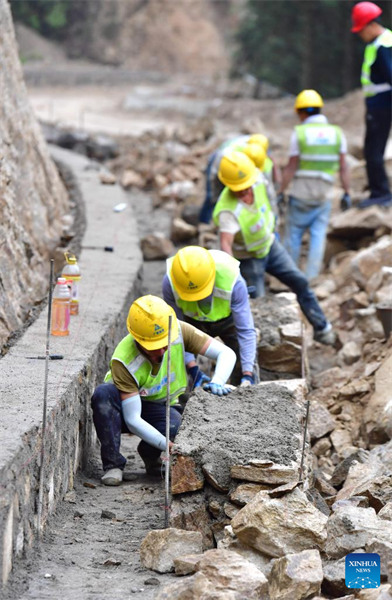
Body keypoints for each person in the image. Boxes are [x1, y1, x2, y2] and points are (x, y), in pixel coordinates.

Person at [91, 295, 236, 485]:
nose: (160, 352)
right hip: (121, 408)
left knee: (176, 427)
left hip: (160, 405)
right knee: (102, 395)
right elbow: (133, 419)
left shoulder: (178, 330)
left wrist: (218, 381)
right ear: (138, 338)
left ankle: (150, 456)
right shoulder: (124, 360)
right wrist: (164, 444)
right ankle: (113, 465)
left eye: (163, 345)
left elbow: (226, 353)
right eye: (153, 347)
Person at [212, 150, 336, 346]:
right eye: (239, 189)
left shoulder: (258, 180)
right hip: (249, 259)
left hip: (270, 246)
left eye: (246, 187)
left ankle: (322, 328)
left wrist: (275, 224)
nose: (245, 192)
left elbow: (271, 199)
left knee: (300, 282)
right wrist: (234, 277)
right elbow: (225, 243)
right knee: (256, 307)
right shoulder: (228, 210)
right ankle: (260, 355)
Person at [277, 89, 351, 281]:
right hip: (324, 193)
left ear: (300, 112)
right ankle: (311, 278)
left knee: (293, 233)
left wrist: (281, 191)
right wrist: (347, 192)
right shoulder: (336, 133)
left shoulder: (299, 134)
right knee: (318, 236)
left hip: (301, 191)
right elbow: (344, 167)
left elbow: (291, 166)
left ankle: (290, 278)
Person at [162, 246, 257, 387]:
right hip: (190, 321)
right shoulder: (171, 282)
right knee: (175, 359)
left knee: (240, 359)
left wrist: (248, 374)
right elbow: (176, 332)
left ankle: (241, 391)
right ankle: (184, 400)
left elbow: (245, 330)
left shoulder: (233, 281)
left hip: (228, 320)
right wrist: (192, 367)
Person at [351, 2, 392, 208]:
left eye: (360, 30)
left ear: (370, 25)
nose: (360, 35)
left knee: (373, 149)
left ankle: (381, 193)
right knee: (373, 148)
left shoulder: (383, 46)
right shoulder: (382, 42)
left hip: (381, 106)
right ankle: (379, 189)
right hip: (379, 104)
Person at [199, 133, 279, 224]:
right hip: (221, 165)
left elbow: (269, 190)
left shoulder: (261, 154)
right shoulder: (228, 158)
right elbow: (213, 177)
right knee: (212, 199)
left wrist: (274, 215)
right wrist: (214, 196)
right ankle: (204, 223)